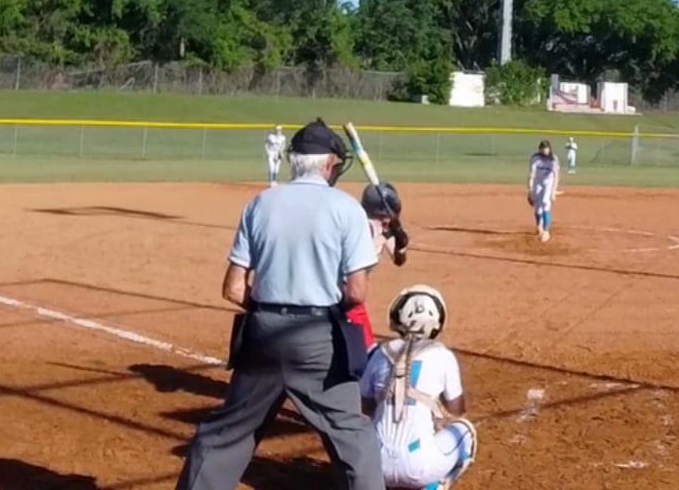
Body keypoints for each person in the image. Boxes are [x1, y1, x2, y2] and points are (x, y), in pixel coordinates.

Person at [174, 119, 383, 490]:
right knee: (353, 437)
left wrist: (271, 305)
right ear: (330, 164)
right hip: (318, 337)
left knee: (226, 432)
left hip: (263, 334)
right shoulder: (346, 208)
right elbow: (356, 293)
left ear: (293, 160)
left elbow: (233, 288)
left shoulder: (261, 203)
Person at [361, 285, 478, 489]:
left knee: (363, 428)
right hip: (421, 468)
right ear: (437, 322)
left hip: (376, 467)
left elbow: (365, 406)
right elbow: (457, 410)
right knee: (465, 430)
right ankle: (436, 485)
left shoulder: (378, 353)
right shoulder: (443, 355)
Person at [349, 182, 411, 350]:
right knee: (365, 347)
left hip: (353, 295)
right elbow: (362, 252)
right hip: (343, 294)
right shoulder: (362, 226)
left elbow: (399, 260)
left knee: (364, 345)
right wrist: (387, 235)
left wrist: (401, 244)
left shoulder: (382, 228)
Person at [528, 140, 559, 243]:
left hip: (548, 183)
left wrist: (553, 191)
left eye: (546, 148)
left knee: (545, 202)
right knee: (537, 208)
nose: (545, 150)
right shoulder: (535, 158)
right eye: (543, 149)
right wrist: (530, 190)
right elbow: (532, 174)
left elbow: (556, 176)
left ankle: (546, 231)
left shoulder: (553, 159)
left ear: (550, 149)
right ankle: (539, 225)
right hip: (538, 182)